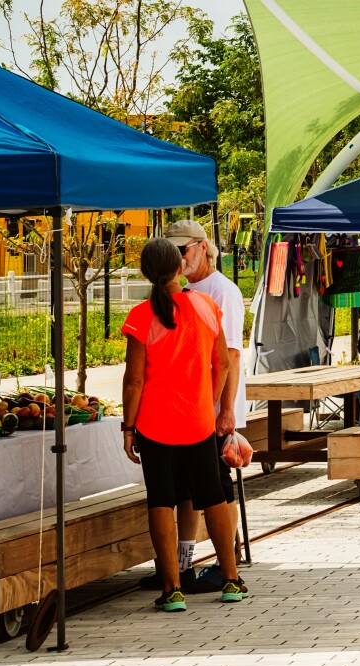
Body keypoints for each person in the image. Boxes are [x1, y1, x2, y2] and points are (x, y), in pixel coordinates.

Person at [120, 238, 248, 611]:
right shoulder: (206, 306)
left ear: (146, 273)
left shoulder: (141, 316)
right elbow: (222, 363)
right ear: (180, 268)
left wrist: (129, 428)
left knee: (161, 501)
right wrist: (208, 403)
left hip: (154, 425)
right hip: (198, 421)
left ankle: (173, 588)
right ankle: (231, 579)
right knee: (212, 497)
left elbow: (134, 380)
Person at [167, 221, 245, 575]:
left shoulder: (221, 290)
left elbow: (230, 355)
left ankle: (226, 559)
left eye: (183, 250)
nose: (179, 258)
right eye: (173, 253)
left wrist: (225, 409)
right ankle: (183, 563)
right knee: (189, 488)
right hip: (190, 407)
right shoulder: (184, 291)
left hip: (212, 408)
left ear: (202, 246)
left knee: (217, 486)